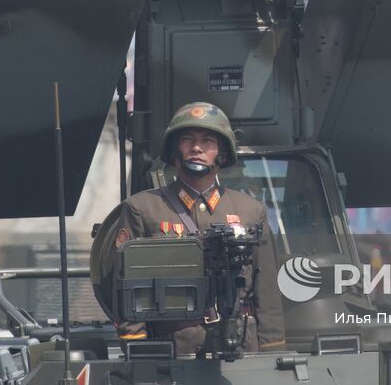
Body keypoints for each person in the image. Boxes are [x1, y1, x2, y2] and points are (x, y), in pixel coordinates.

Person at [109, 102, 284, 356]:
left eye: (208, 141)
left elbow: (266, 290)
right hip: (175, 346)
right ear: (174, 149)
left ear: (222, 152)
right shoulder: (143, 209)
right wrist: (137, 349)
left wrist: (273, 351)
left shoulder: (250, 211)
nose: (197, 148)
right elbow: (125, 285)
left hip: (240, 344)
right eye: (187, 139)